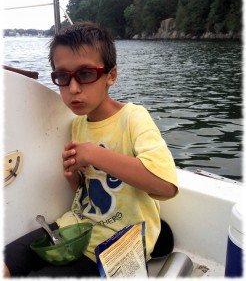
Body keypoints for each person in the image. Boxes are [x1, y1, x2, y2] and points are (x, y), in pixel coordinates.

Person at [4, 22, 178, 277]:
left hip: (120, 244)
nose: (73, 88)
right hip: (78, 226)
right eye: (63, 77)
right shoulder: (78, 124)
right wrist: (74, 179)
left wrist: (95, 154)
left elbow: (166, 186)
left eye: (85, 74)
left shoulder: (133, 118)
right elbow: (90, 196)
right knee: (10, 257)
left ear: (111, 75)